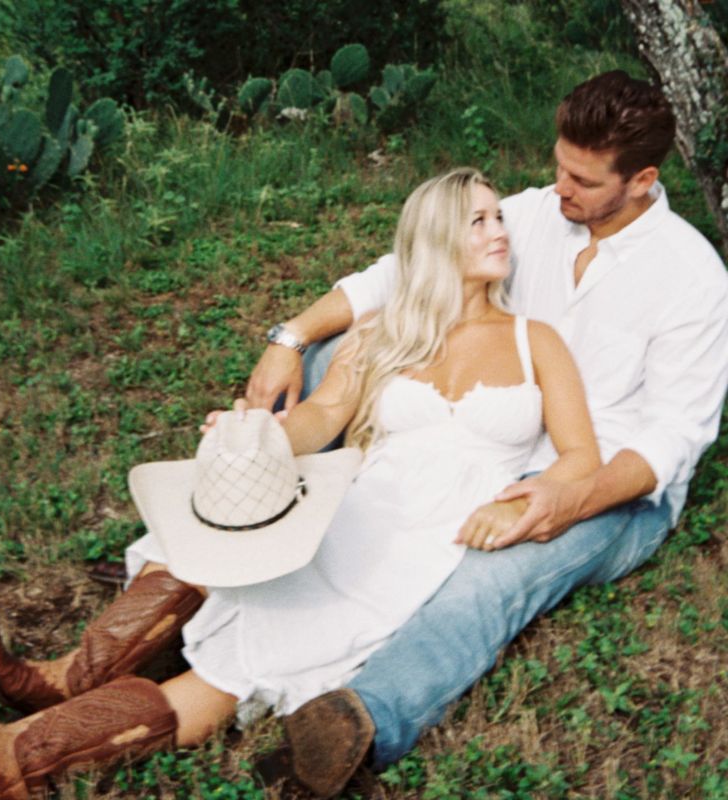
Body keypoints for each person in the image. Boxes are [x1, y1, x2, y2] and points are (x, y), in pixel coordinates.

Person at [0, 169, 602, 800]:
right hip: (361, 504)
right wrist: (261, 436)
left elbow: (579, 458)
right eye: (478, 220)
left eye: (498, 218)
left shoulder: (533, 340)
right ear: (435, 239)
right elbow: (326, 413)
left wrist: (523, 504)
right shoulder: (386, 330)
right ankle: (63, 679)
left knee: (246, 662)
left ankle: (19, 754)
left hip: (425, 543)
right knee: (221, 553)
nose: (499, 231)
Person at [243, 70, 728, 797]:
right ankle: (237, 529)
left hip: (605, 481)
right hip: (492, 432)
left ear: (642, 181)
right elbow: (403, 272)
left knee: (494, 572)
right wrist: (291, 337)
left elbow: (674, 437)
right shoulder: (536, 214)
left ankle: (362, 721)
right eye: (558, 165)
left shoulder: (693, 278)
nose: (558, 188)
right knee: (331, 358)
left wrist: (568, 499)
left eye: (582, 180)